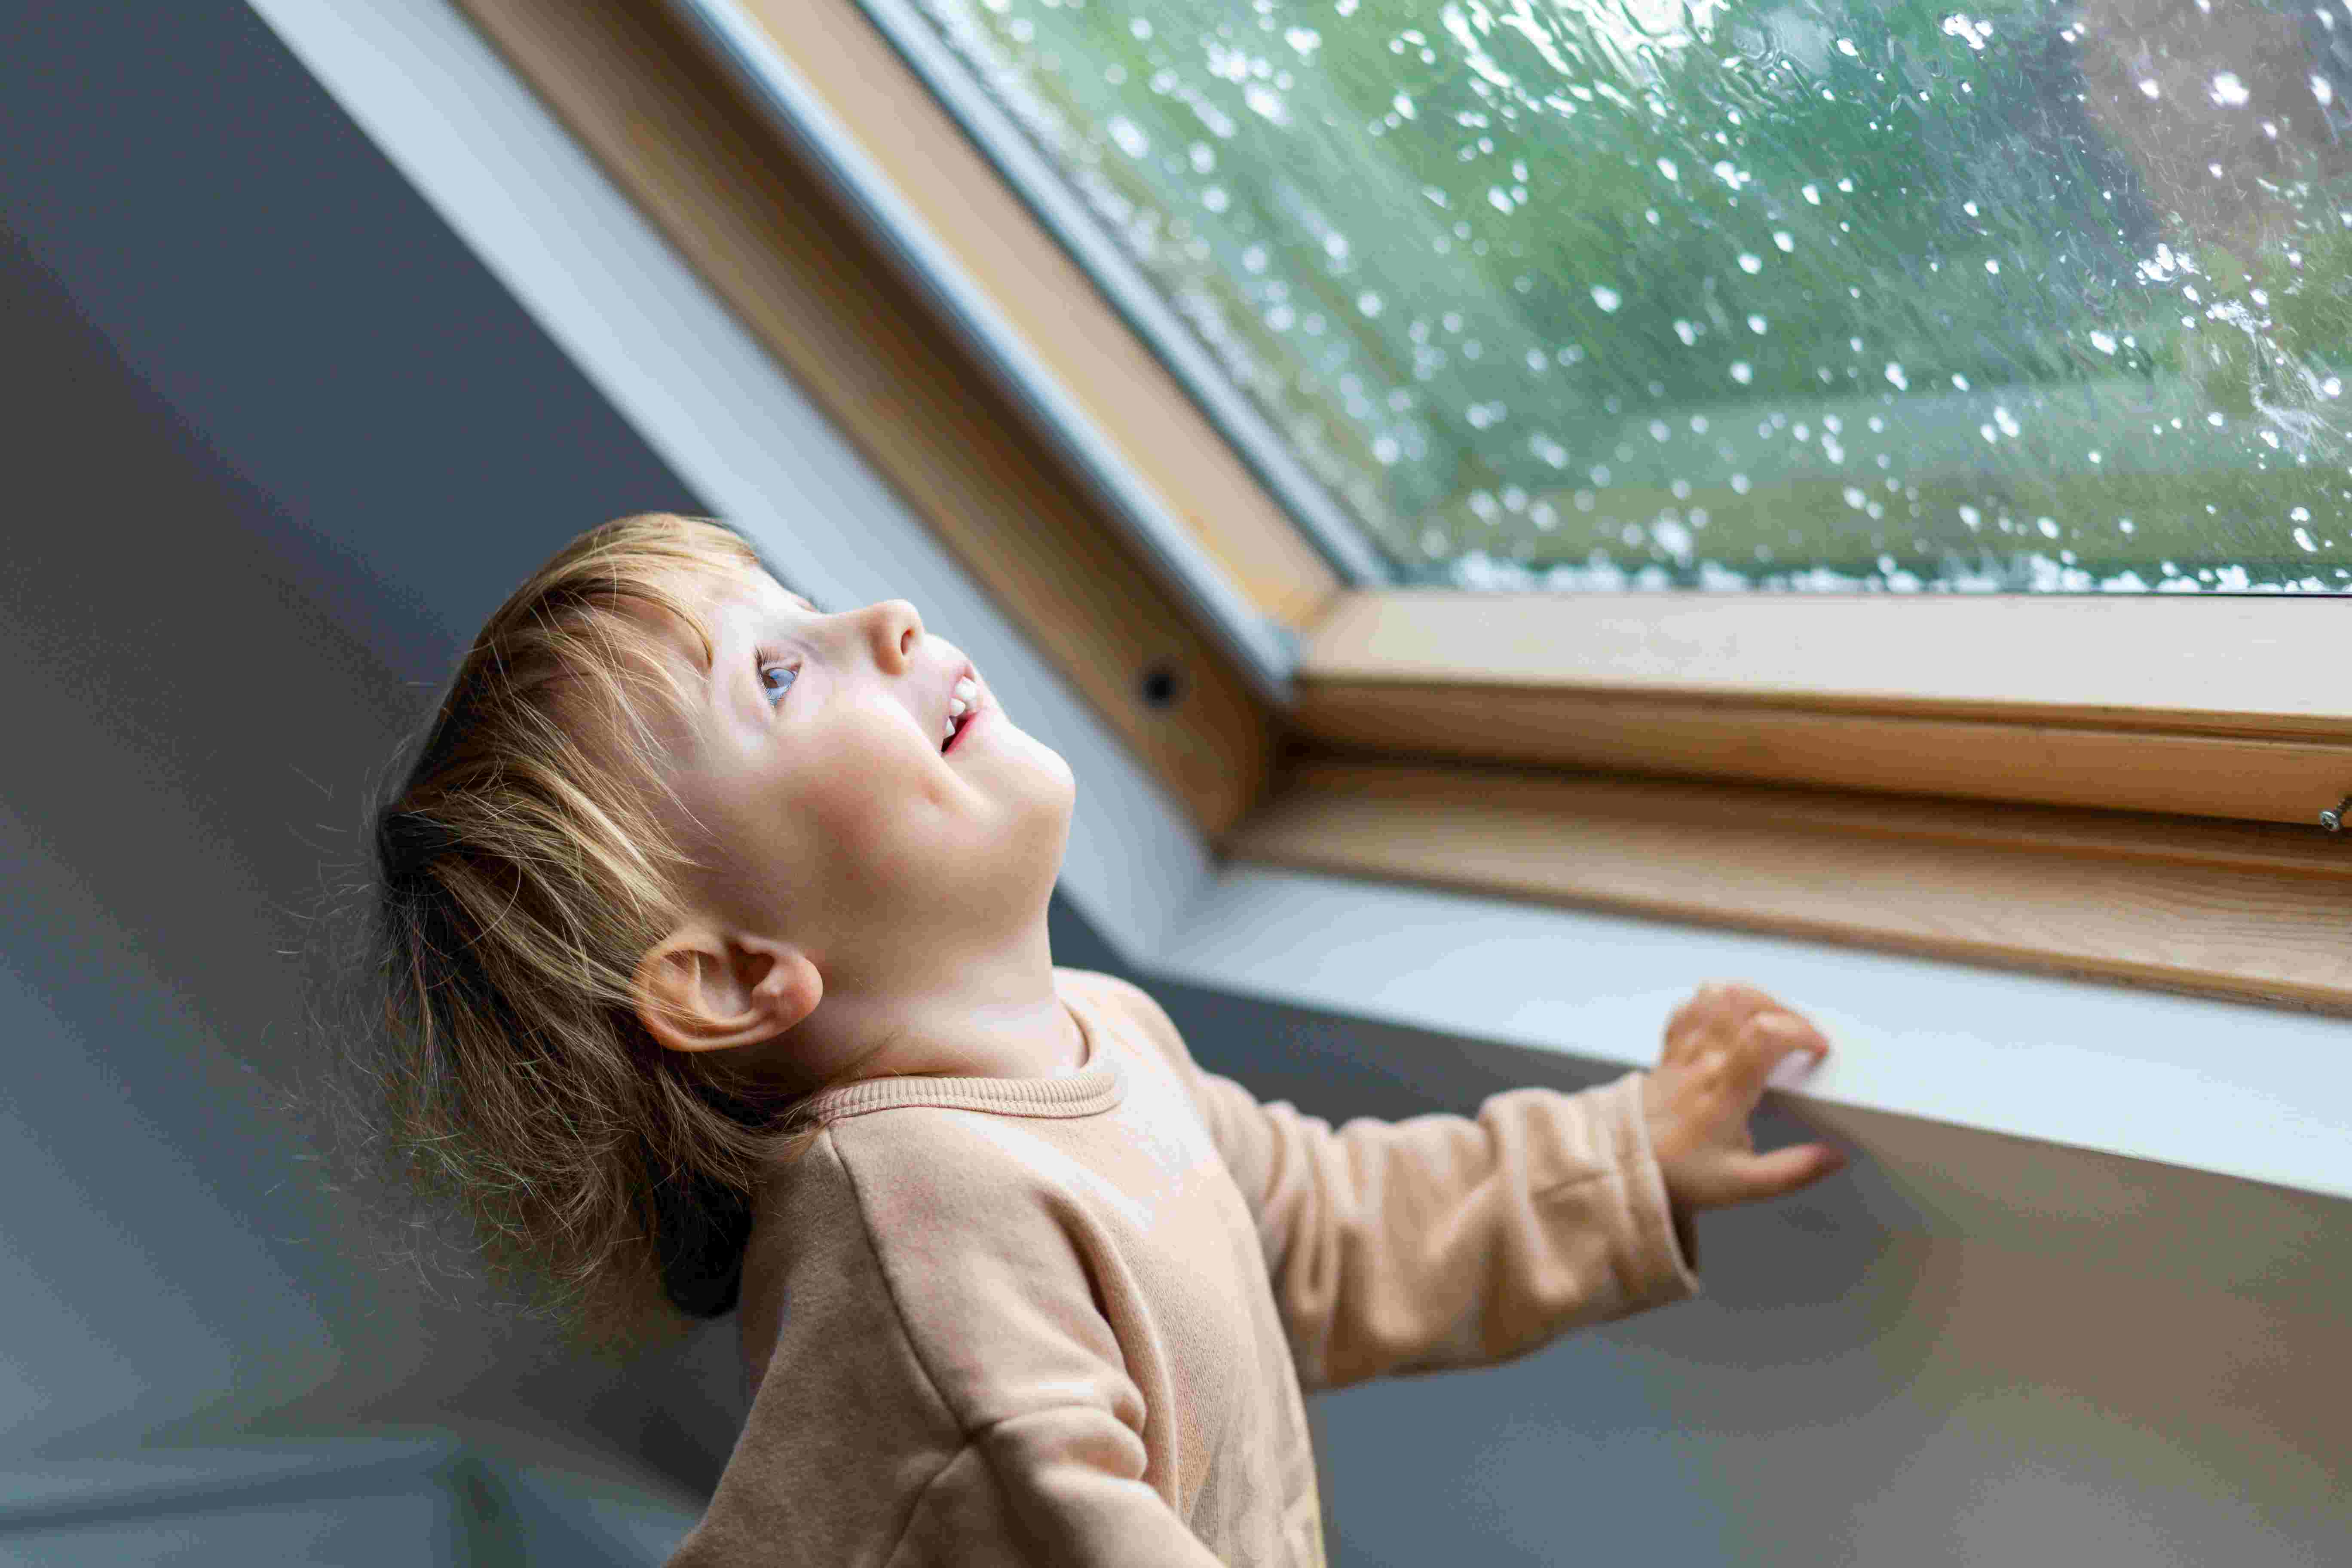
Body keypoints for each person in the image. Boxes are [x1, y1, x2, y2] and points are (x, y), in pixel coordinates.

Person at [357, 511, 1848, 1565]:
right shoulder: (922, 1215)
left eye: (799, 604)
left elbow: (1311, 1233)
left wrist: (1623, 1153)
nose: (884, 617)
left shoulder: (1099, 1037)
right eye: (776, 674)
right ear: (738, 976)